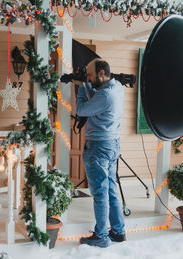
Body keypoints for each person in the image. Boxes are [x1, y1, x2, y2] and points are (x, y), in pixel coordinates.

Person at [75, 59, 126, 248]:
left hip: (98, 147)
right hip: (112, 145)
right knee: (111, 189)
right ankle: (118, 231)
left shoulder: (105, 96)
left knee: (100, 193)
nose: (87, 78)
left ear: (102, 73)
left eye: (90, 75)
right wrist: (88, 83)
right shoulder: (117, 87)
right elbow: (96, 95)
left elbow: (81, 109)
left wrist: (81, 87)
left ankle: (101, 236)